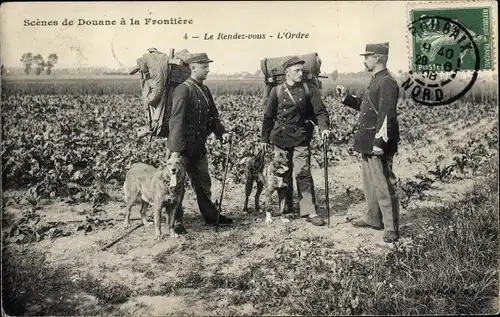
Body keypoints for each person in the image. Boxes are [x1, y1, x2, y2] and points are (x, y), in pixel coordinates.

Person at [336, 42, 401, 243]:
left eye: (367, 57)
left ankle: (391, 227)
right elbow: (366, 107)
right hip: (367, 140)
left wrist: (379, 143)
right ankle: (373, 218)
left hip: (377, 142)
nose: (364, 60)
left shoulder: (387, 82)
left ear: (378, 58)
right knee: (370, 184)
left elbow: (386, 116)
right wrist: (347, 97)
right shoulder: (376, 80)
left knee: (383, 184)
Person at [260, 56, 332, 226]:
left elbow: (320, 111)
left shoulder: (309, 89)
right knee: (282, 175)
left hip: (301, 137)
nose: (301, 73)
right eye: (296, 70)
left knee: (303, 173)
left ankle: (309, 211)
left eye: (302, 70)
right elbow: (268, 116)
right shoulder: (276, 91)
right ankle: (287, 208)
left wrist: (324, 128)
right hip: (280, 138)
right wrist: (264, 138)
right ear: (287, 73)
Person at [167, 52, 233, 234]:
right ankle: (176, 220)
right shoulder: (183, 89)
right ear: (193, 68)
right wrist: (175, 151)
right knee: (176, 186)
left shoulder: (204, 90)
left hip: (198, 146)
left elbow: (213, 115)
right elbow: (176, 121)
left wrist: (222, 133)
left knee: (204, 183)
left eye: (207, 66)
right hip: (182, 149)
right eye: (204, 67)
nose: (208, 70)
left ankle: (211, 216)